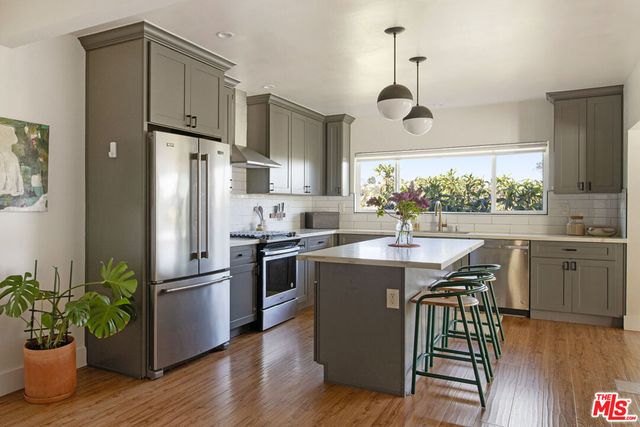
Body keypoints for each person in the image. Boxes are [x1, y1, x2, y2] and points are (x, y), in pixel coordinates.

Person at [0, 124, 24, 196]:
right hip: (9, 190)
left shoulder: (12, 157)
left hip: (8, 190)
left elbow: (17, 175)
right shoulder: (12, 157)